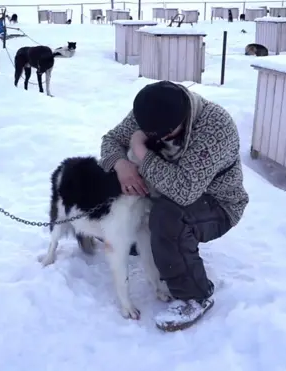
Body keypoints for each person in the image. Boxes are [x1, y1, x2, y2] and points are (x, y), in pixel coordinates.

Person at [99, 80, 249, 331]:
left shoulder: (215, 126)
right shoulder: (151, 111)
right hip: (165, 192)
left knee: (168, 218)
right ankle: (150, 243)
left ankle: (194, 295)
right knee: (121, 183)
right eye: (150, 134)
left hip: (217, 203)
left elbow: (184, 191)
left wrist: (139, 149)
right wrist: (121, 165)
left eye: (162, 136)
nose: (156, 138)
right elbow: (111, 140)